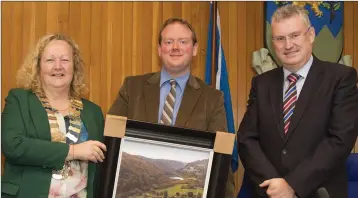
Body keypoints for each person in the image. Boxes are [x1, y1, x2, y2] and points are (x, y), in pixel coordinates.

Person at [238, 4, 358, 198]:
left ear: (310, 35)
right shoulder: (261, 83)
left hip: (320, 193)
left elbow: (340, 140)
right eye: (280, 38)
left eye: (295, 35)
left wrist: (293, 185)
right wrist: (275, 186)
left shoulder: (340, 78)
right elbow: (247, 139)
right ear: (273, 42)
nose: (288, 45)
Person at [108, 18, 235, 197]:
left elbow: (221, 157)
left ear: (195, 49)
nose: (175, 47)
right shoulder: (132, 88)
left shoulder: (212, 99)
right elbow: (111, 141)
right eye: (169, 42)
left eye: (183, 42)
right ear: (160, 49)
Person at [1, 34, 107, 198]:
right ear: (38, 67)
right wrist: (73, 151)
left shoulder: (93, 111)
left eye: (65, 60)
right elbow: (13, 146)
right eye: (50, 60)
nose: (58, 66)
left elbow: (104, 162)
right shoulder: (19, 100)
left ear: (75, 66)